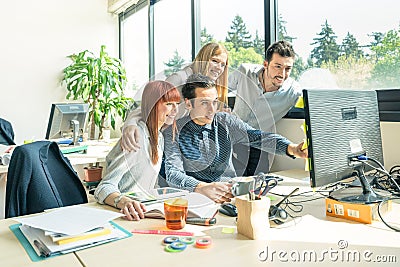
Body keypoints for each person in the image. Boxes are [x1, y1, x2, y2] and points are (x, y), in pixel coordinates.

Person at [163, 74, 307, 203]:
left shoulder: (225, 121)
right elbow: (173, 172)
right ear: (188, 103)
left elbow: (258, 137)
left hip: (231, 195)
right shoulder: (173, 132)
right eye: (204, 103)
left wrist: (291, 148)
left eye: (214, 102)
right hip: (197, 199)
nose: (212, 110)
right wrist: (201, 187)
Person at [94, 81, 180, 221]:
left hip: (144, 212)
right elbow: (104, 187)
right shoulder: (136, 137)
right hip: (125, 214)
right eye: (169, 104)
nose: (175, 110)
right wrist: (124, 202)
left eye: (177, 104)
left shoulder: (159, 137)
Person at [121, 42, 229, 152]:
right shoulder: (179, 79)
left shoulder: (207, 87)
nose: (219, 68)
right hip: (153, 141)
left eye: (223, 64)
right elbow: (148, 106)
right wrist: (130, 124)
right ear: (203, 58)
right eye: (215, 61)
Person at [228, 40, 302, 176]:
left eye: (288, 68)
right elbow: (221, 89)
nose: (282, 74)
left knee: (259, 188)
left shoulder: (294, 91)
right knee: (228, 185)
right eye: (277, 66)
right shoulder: (244, 71)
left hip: (261, 145)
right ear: (265, 64)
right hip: (232, 139)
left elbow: (313, 106)